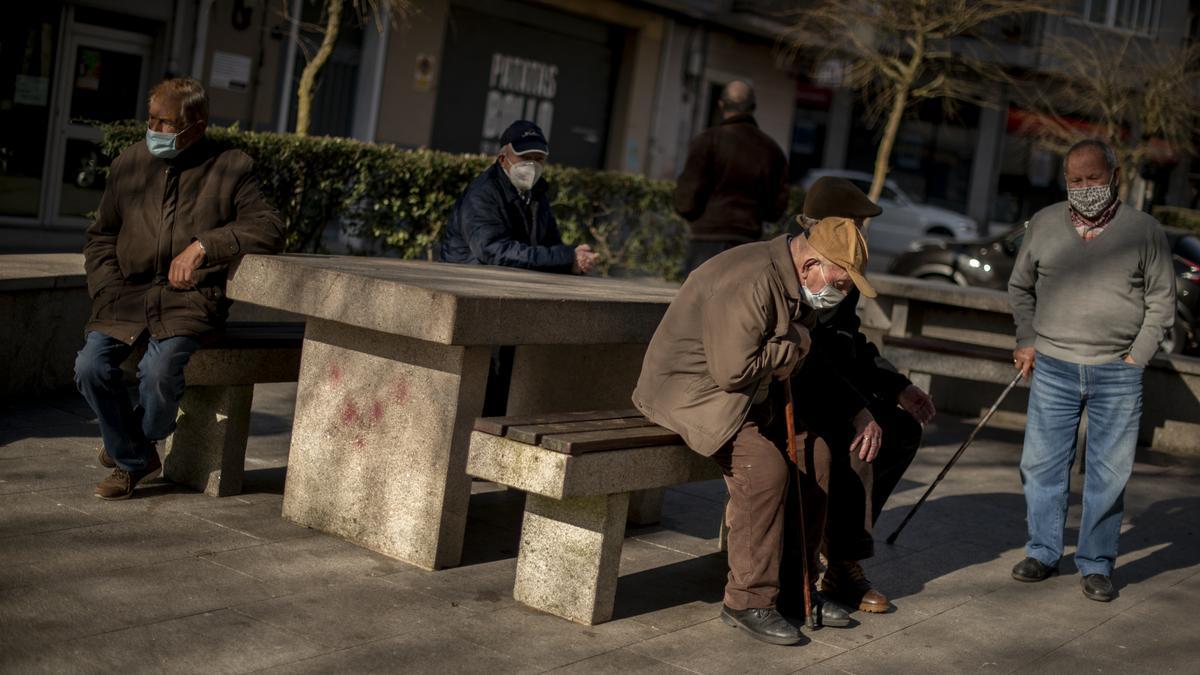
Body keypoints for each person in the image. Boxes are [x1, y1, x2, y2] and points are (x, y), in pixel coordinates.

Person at [633, 217, 875, 646]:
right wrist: (795, 343)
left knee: (815, 453)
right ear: (809, 266)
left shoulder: (797, 283)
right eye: (839, 282)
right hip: (692, 391)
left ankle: (795, 588)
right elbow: (732, 370)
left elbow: (785, 355)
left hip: (750, 394)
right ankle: (747, 600)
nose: (841, 293)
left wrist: (796, 344)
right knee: (764, 469)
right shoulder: (752, 279)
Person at [75, 77, 284, 500]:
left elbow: (270, 227)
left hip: (189, 302)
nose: (154, 130)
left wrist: (205, 246)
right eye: (151, 119)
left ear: (197, 126)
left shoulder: (231, 167)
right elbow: (100, 236)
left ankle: (127, 451)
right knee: (89, 368)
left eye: (166, 123)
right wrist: (105, 288)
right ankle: (137, 454)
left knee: (158, 373)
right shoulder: (129, 163)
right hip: (125, 298)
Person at [1008, 139, 1175, 602]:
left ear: (1115, 176)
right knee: (1041, 466)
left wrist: (1136, 356)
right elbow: (1020, 286)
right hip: (1054, 364)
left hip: (1117, 370)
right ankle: (1043, 552)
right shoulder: (1043, 224)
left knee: (1108, 473)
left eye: (1093, 178)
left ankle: (1096, 563)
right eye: (1075, 180)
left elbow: (1162, 301)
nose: (1084, 188)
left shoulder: (1144, 230)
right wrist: (1026, 339)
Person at [787, 178, 935, 615]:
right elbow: (806, 358)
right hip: (794, 389)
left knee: (901, 429)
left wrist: (898, 387)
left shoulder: (842, 269)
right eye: (856, 223)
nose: (861, 234)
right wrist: (856, 410)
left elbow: (852, 345)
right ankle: (842, 564)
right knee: (857, 445)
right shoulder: (805, 268)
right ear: (831, 225)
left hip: (830, 387)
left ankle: (841, 549)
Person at [439, 120, 597, 274]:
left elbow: (550, 243)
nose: (533, 165)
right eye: (525, 157)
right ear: (502, 159)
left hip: (509, 282)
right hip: (467, 281)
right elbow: (494, 251)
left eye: (539, 159)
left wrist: (573, 261)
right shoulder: (481, 194)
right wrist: (565, 258)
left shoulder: (537, 193)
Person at [673, 80, 789, 276]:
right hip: (747, 243)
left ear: (721, 104)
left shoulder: (707, 141)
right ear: (753, 108)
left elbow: (686, 200)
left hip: (705, 241)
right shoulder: (771, 150)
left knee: (698, 303)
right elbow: (776, 208)